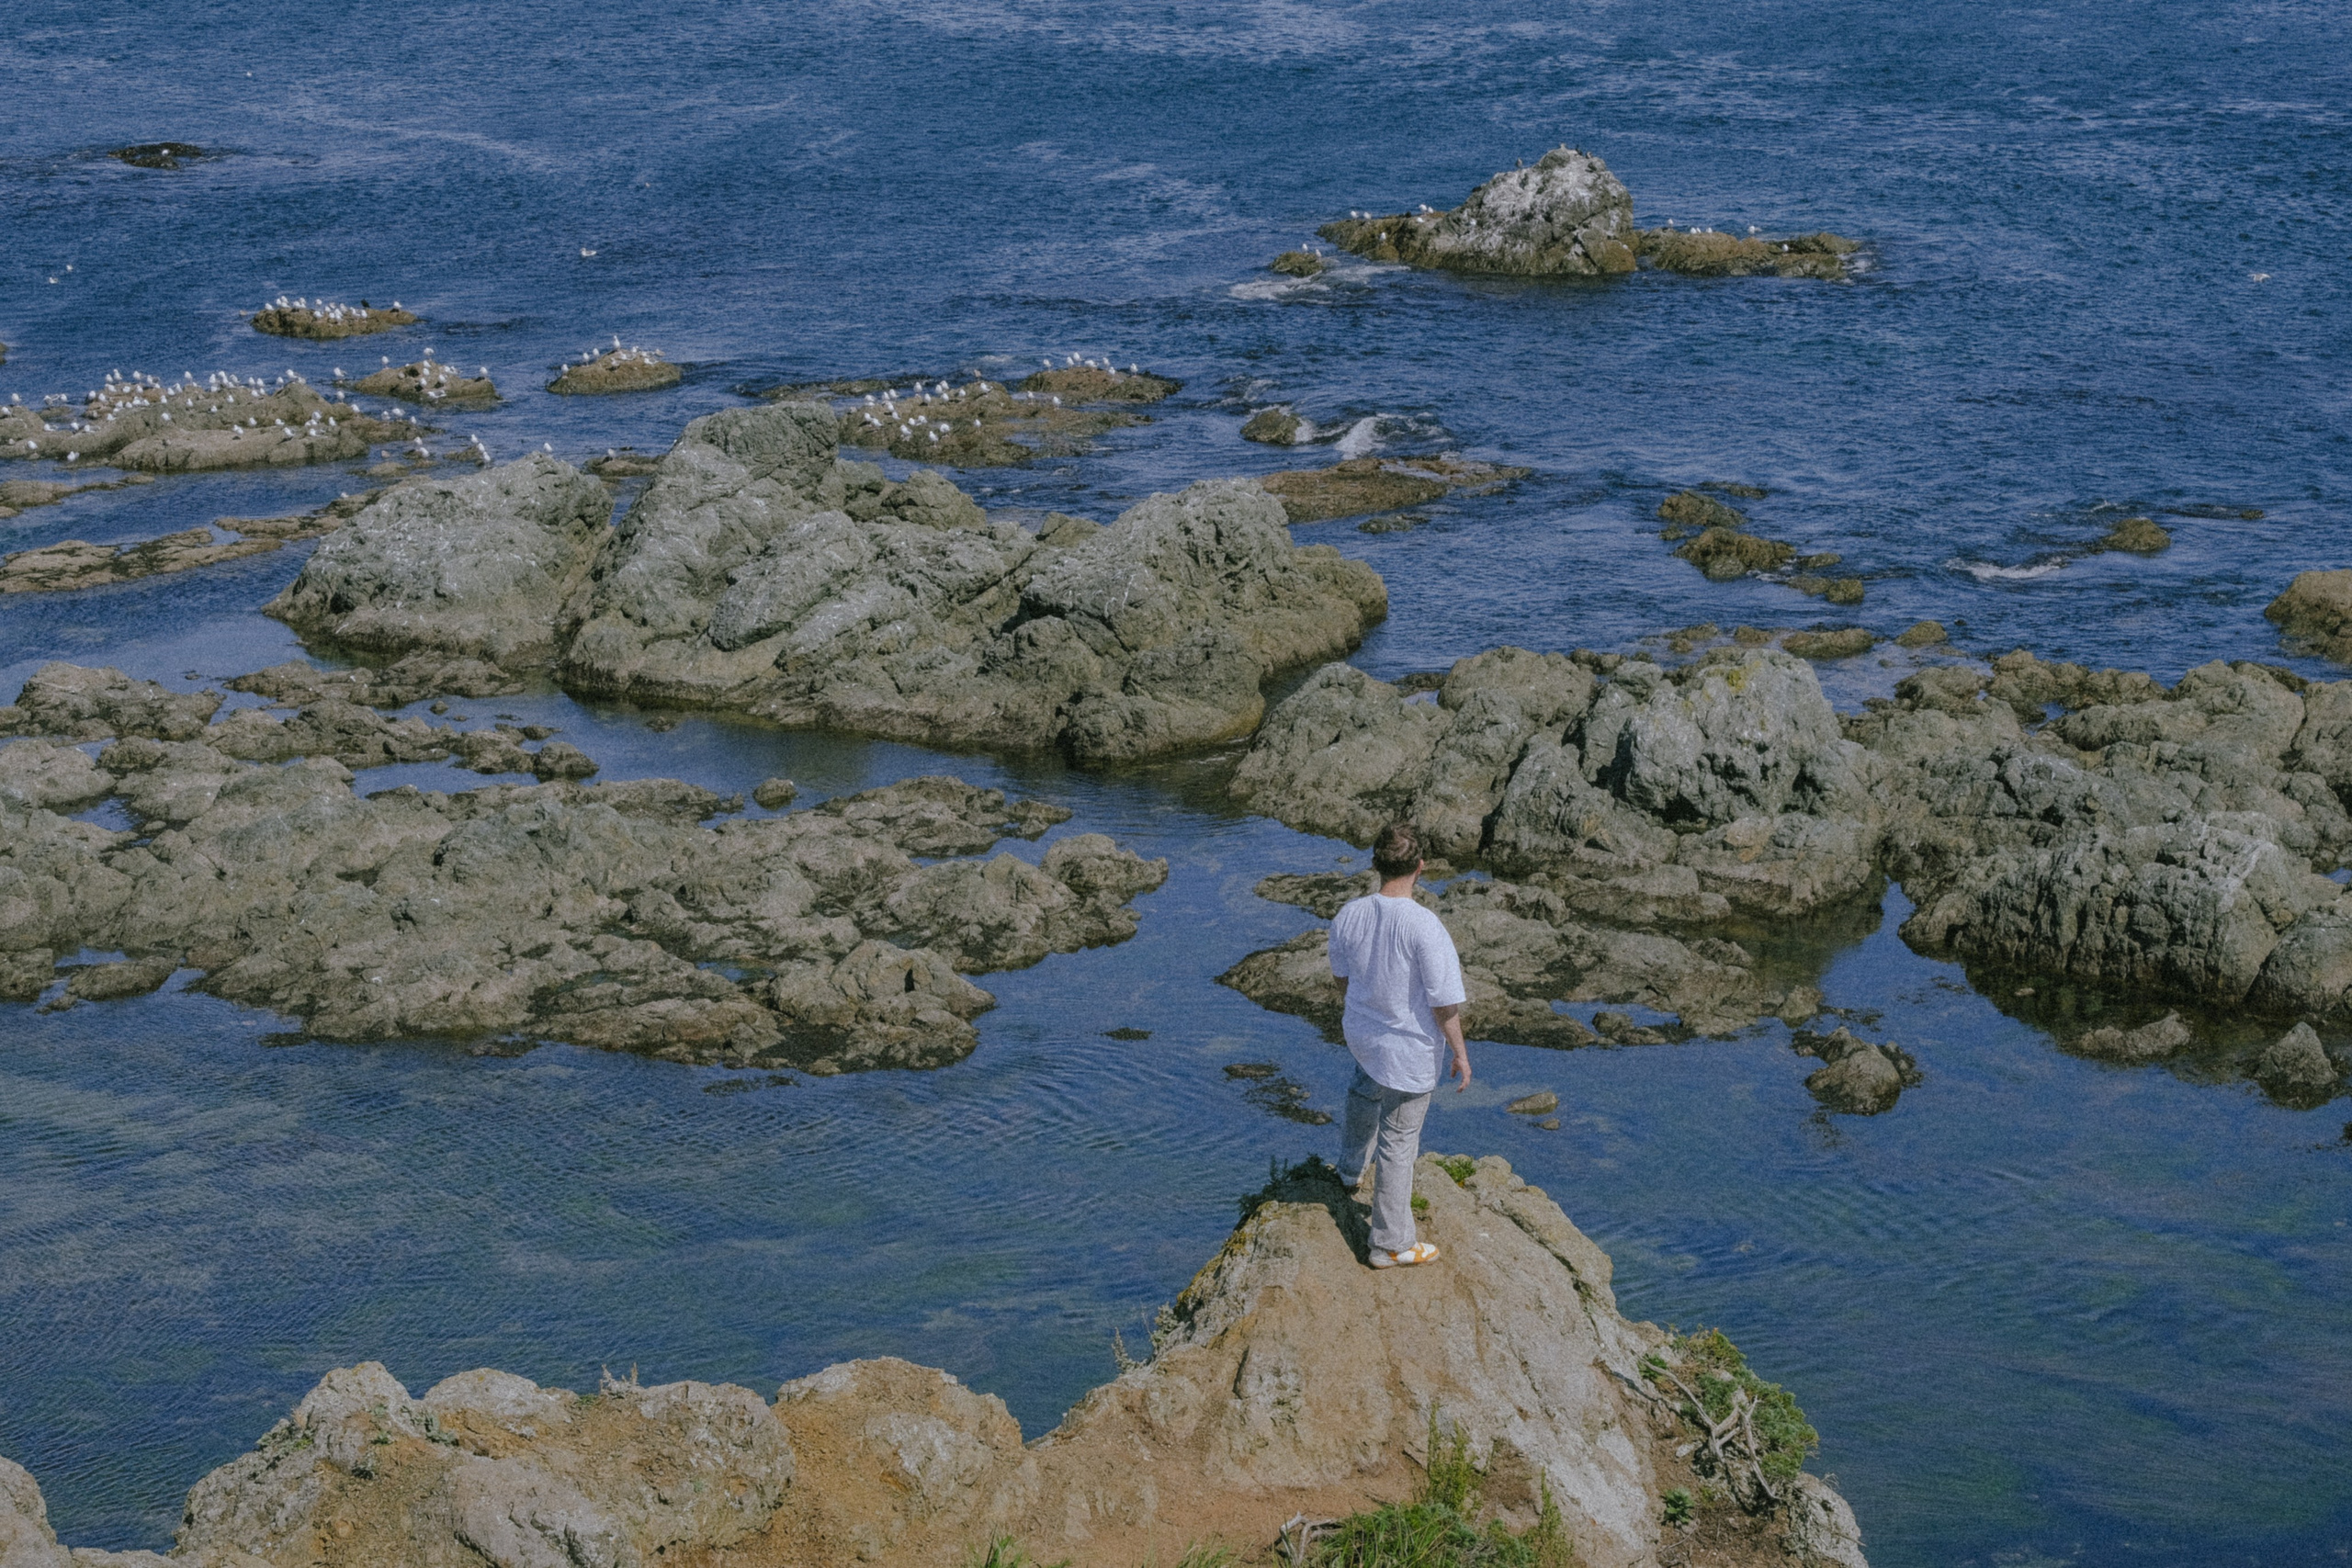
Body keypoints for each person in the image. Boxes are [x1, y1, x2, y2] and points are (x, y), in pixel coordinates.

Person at [1329, 820, 1470, 1269]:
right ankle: (1390, 1244)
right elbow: (1444, 1004)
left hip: (1364, 1037)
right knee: (1398, 1141)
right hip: (1407, 1051)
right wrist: (1461, 1055)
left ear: (1375, 863)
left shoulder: (1350, 913)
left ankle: (1349, 1170)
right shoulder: (1424, 926)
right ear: (1421, 867)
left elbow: (1340, 976)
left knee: (1364, 1090)